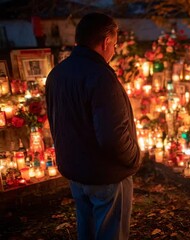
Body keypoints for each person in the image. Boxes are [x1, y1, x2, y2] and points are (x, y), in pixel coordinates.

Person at [45, 13, 142, 240]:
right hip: (105, 174)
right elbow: (112, 136)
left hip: (76, 170)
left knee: (86, 229)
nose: (114, 51)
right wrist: (133, 158)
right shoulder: (101, 77)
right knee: (111, 232)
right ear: (106, 41)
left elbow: (56, 121)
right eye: (115, 45)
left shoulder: (57, 74)